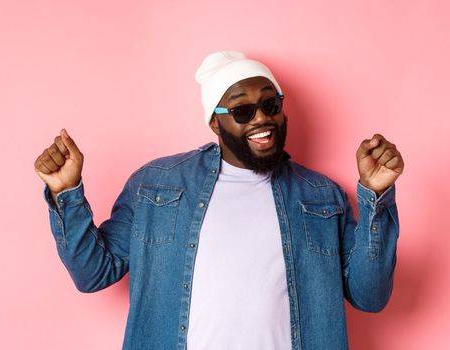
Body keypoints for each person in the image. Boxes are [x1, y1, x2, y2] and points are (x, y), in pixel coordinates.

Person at [32, 51, 403, 350]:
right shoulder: (157, 185)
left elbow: (370, 296)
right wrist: (67, 192)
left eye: (271, 104)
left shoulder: (321, 195)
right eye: (243, 110)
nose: (262, 118)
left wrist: (376, 195)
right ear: (215, 122)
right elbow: (93, 274)